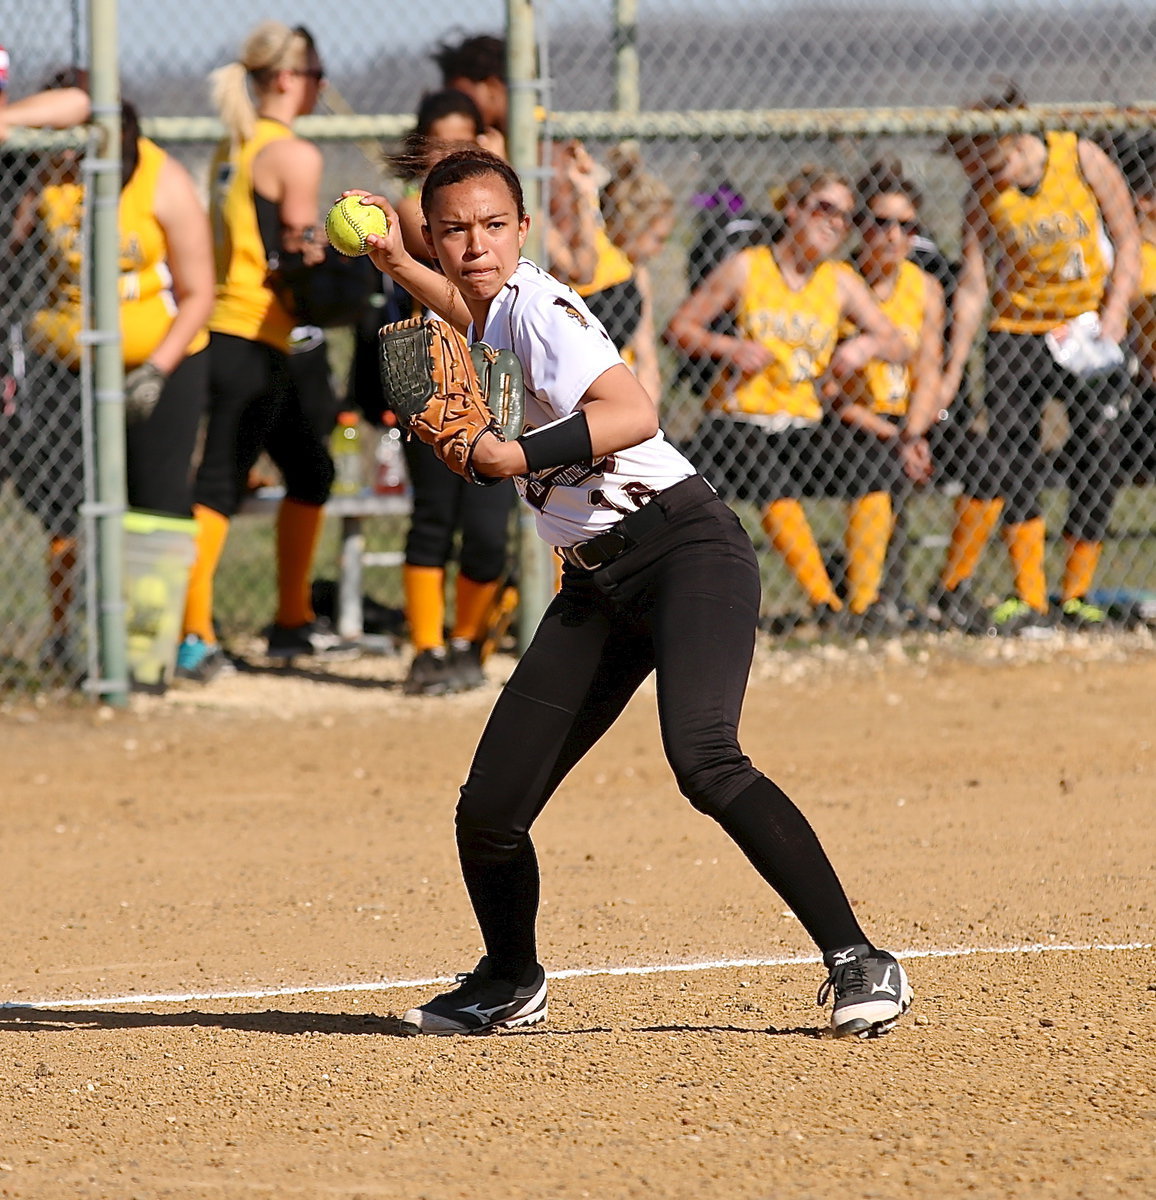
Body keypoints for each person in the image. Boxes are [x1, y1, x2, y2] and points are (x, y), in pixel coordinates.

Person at [349, 148, 913, 1039]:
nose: (475, 246)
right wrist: (399, 265)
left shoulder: (540, 306)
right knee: (491, 808)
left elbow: (632, 411)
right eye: (453, 230)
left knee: (706, 759)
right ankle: (509, 977)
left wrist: (510, 456)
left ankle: (859, 958)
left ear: (524, 230)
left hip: (685, 549)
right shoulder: (497, 305)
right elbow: (470, 311)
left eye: (493, 226)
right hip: (598, 581)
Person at [3, 79, 214, 673]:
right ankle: (67, 641)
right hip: (67, 362)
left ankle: (151, 653)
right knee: (67, 508)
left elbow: (199, 294)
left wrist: (155, 369)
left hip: (162, 362)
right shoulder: (51, 175)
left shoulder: (162, 181)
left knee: (159, 507)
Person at [928, 85, 1141, 636]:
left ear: (1005, 140)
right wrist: (954, 370)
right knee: (1012, 455)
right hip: (1016, 331)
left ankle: (1076, 594)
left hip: (1087, 331)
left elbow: (1128, 237)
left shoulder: (1078, 157)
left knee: (1098, 453)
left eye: (976, 156)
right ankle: (1030, 595)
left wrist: (1115, 312)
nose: (971, 169)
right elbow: (974, 285)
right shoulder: (983, 195)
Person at [176, 22, 350, 681]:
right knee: (218, 482)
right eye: (312, 73)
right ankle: (191, 635)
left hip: (242, 335)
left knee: (310, 470)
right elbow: (298, 260)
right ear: (285, 79)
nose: (320, 85)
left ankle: (290, 622)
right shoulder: (290, 153)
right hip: (250, 335)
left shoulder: (235, 143)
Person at [665, 165, 909, 626]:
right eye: (824, 208)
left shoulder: (838, 280)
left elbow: (897, 342)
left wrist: (867, 344)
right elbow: (679, 328)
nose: (835, 222)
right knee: (761, 465)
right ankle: (825, 604)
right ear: (793, 211)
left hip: (802, 424)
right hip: (740, 421)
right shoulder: (749, 266)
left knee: (873, 465)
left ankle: (862, 606)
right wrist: (730, 347)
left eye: (845, 216)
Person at [379, 87, 517, 696]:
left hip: (494, 379)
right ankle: (426, 647)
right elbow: (425, 234)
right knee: (434, 517)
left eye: (462, 142)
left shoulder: (493, 212)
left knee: (489, 524)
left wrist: (499, 161)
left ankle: (467, 640)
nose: (447, 154)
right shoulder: (419, 211)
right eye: (436, 143)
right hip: (433, 379)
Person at [828, 158, 945, 633]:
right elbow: (832, 392)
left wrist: (914, 432)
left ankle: (949, 594)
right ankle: (865, 606)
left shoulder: (926, 287)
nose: (894, 235)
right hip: (854, 421)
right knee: (876, 466)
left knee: (989, 459)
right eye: (881, 223)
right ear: (860, 227)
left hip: (911, 418)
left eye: (906, 225)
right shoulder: (837, 280)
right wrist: (895, 436)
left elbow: (929, 369)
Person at [431, 34, 508, 158]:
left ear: (491, 86)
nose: (458, 105)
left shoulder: (541, 139)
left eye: (463, 96)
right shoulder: (487, 138)